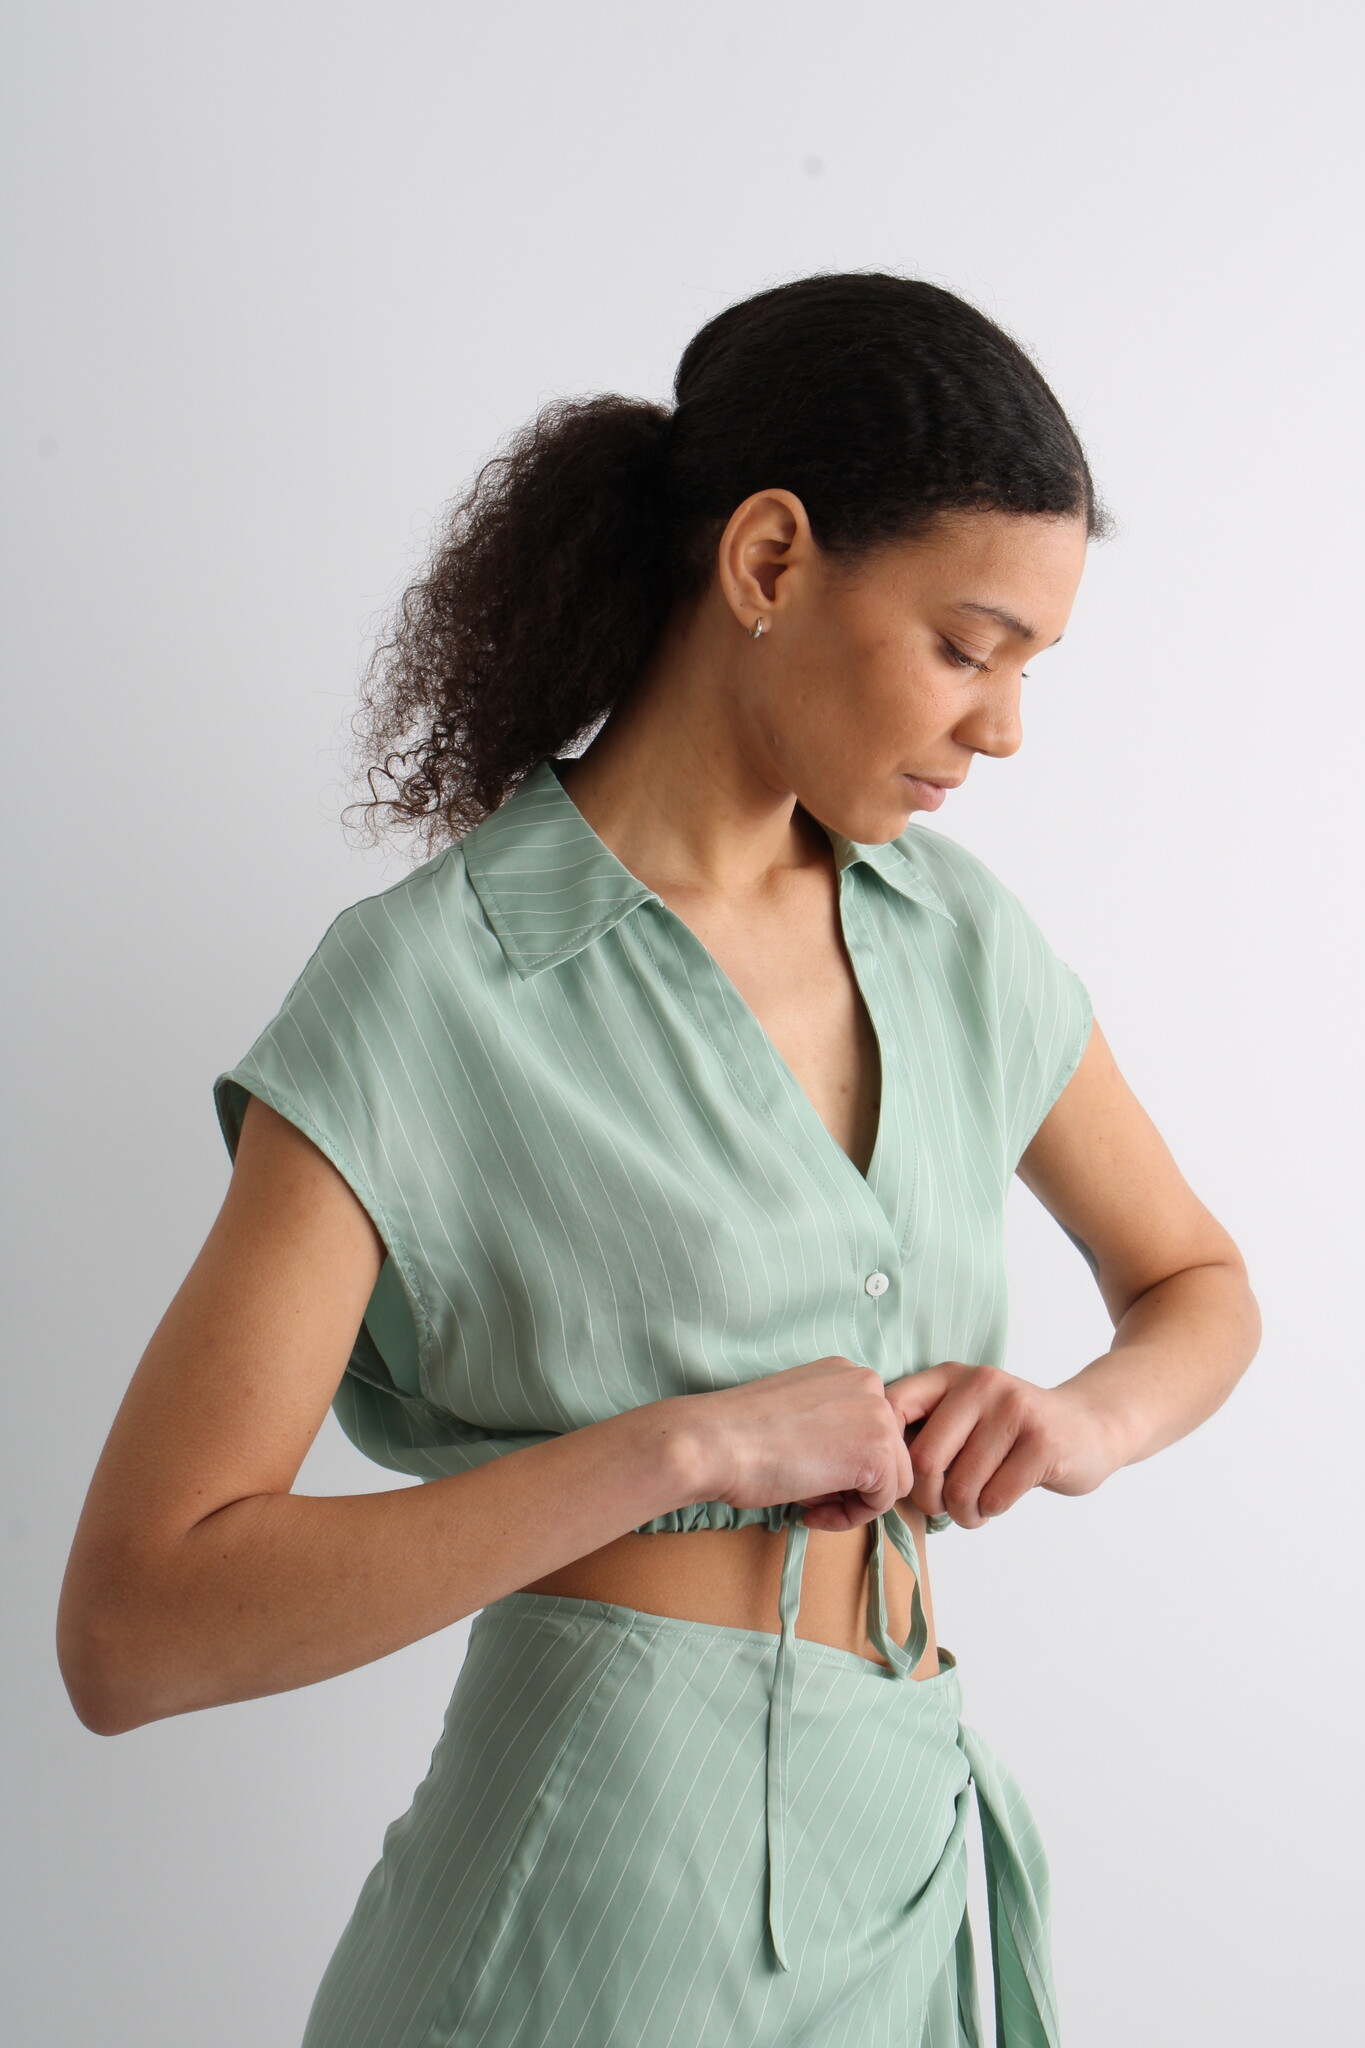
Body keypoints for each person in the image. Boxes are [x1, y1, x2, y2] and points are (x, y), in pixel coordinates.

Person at [57, 271, 1261, 2047]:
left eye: (1027, 668)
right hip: (591, 1923)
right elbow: (136, 1628)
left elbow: (1195, 1283)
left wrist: (1081, 1422)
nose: (1002, 727)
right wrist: (676, 1449)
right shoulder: (433, 992)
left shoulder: (955, 938)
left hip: (901, 1876)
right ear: (768, 561)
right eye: (965, 647)